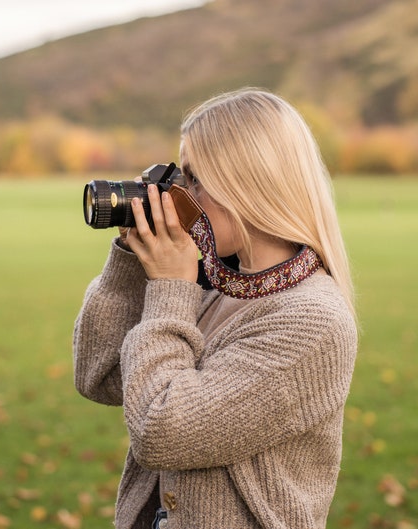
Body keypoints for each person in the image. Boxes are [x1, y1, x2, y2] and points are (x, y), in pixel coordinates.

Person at [73, 88, 358, 529]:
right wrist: (132, 259)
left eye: (195, 180)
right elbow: (99, 374)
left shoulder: (312, 320)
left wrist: (170, 286)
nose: (179, 197)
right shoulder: (217, 284)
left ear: (250, 183)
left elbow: (162, 432)